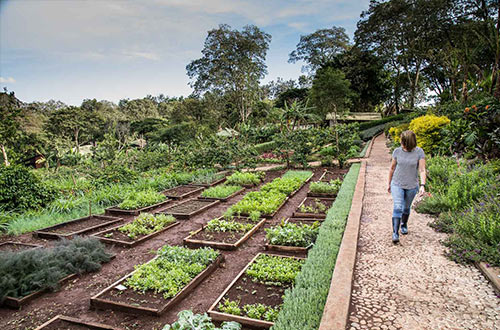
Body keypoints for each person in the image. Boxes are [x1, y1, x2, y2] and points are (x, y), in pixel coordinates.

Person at [387, 130, 426, 243]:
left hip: (412, 185)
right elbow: (392, 168)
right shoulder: (397, 151)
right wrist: (389, 183)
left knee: (406, 208)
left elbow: (422, 169)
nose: (400, 142)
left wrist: (422, 185)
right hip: (397, 183)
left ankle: (404, 224)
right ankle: (395, 233)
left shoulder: (419, 152)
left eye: (402, 140)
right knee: (398, 207)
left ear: (407, 141)